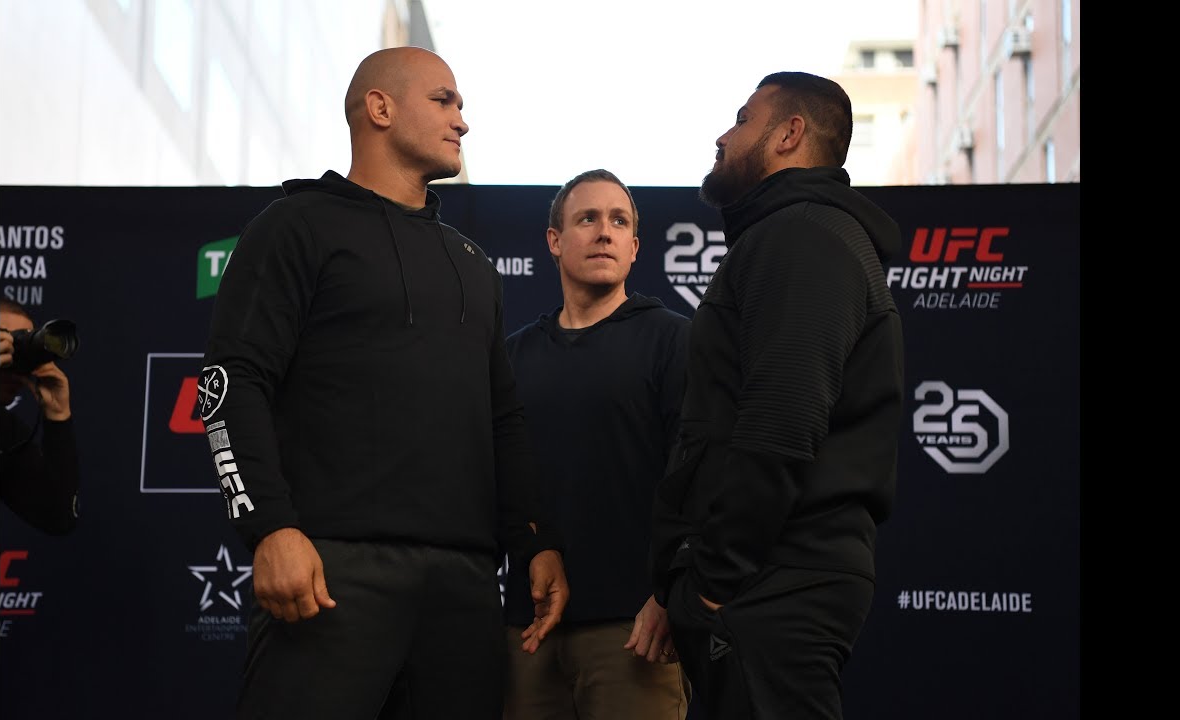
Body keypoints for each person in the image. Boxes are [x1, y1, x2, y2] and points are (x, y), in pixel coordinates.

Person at [196, 46, 569, 720]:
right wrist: (269, 528)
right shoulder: (293, 227)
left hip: (463, 585)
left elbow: (502, 419)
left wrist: (533, 539)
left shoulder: (472, 264)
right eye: (444, 100)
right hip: (332, 572)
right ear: (380, 108)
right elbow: (231, 382)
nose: (462, 121)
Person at [649, 71, 905, 720]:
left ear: (790, 134)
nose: (723, 136)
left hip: (773, 576)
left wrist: (714, 581)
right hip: (769, 576)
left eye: (742, 119)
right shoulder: (790, 234)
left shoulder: (803, 235)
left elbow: (783, 419)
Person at [501, 169, 692, 720]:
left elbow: (700, 479)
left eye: (619, 221)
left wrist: (670, 596)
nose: (605, 232)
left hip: (636, 629)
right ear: (554, 241)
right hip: (528, 628)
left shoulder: (675, 340)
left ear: (635, 247)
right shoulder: (513, 357)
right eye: (587, 219)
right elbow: (500, 482)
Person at [0, 297, 80, 535]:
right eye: (4, 342)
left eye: (20, 346)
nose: (12, 358)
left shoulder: (5, 431)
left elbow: (57, 517)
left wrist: (58, 416)